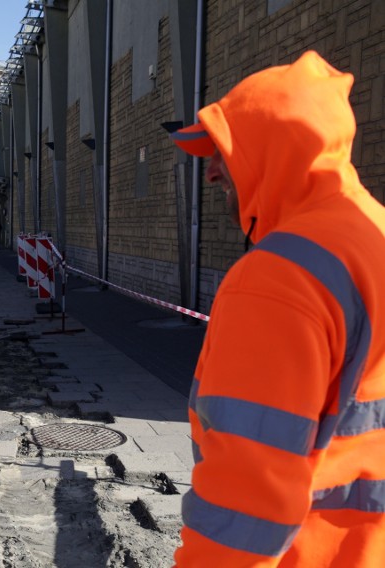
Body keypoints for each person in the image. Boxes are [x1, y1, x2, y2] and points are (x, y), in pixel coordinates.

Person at [169, 51, 385, 567]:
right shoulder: (370, 237)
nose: (212, 172)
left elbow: (244, 505)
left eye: (224, 149)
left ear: (273, 148)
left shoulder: (277, 278)